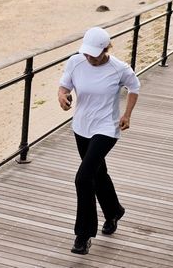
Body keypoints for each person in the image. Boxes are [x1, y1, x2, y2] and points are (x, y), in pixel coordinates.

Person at [58, 26, 140, 255]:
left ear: (106, 49)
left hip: (106, 128)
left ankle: (83, 235)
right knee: (97, 173)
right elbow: (64, 85)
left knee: (83, 177)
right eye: (87, 53)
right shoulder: (75, 62)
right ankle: (114, 211)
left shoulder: (119, 68)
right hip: (81, 126)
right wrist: (62, 97)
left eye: (94, 53)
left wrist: (127, 115)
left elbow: (135, 87)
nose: (89, 57)